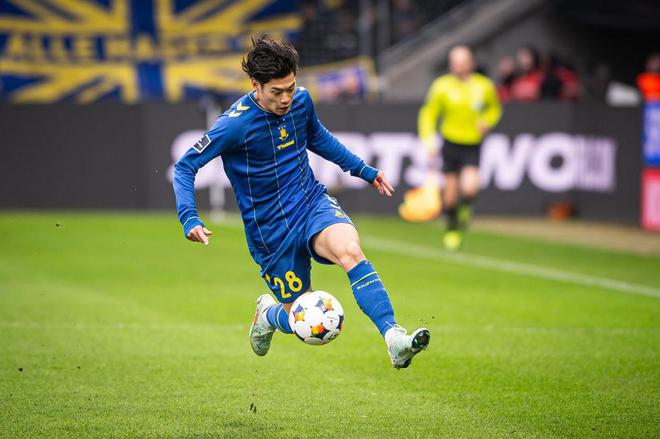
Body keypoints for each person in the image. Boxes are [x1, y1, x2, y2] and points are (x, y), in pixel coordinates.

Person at [173, 36, 430, 369]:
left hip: (310, 203)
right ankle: (268, 315)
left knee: (350, 250)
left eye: (290, 88)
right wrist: (189, 217)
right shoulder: (234, 125)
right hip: (269, 232)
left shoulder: (302, 101)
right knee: (301, 316)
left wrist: (362, 170)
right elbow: (185, 166)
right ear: (255, 85)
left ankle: (394, 337)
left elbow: (317, 137)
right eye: (276, 92)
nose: (286, 99)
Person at [418, 45, 501, 250]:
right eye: (454, 62)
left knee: (470, 188)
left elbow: (494, 109)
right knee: (450, 196)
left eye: (462, 62)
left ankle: (465, 208)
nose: (458, 66)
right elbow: (428, 114)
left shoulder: (484, 86)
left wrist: (487, 122)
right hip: (450, 143)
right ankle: (452, 229)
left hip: (472, 143)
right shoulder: (442, 86)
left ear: (471, 63)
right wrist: (429, 140)